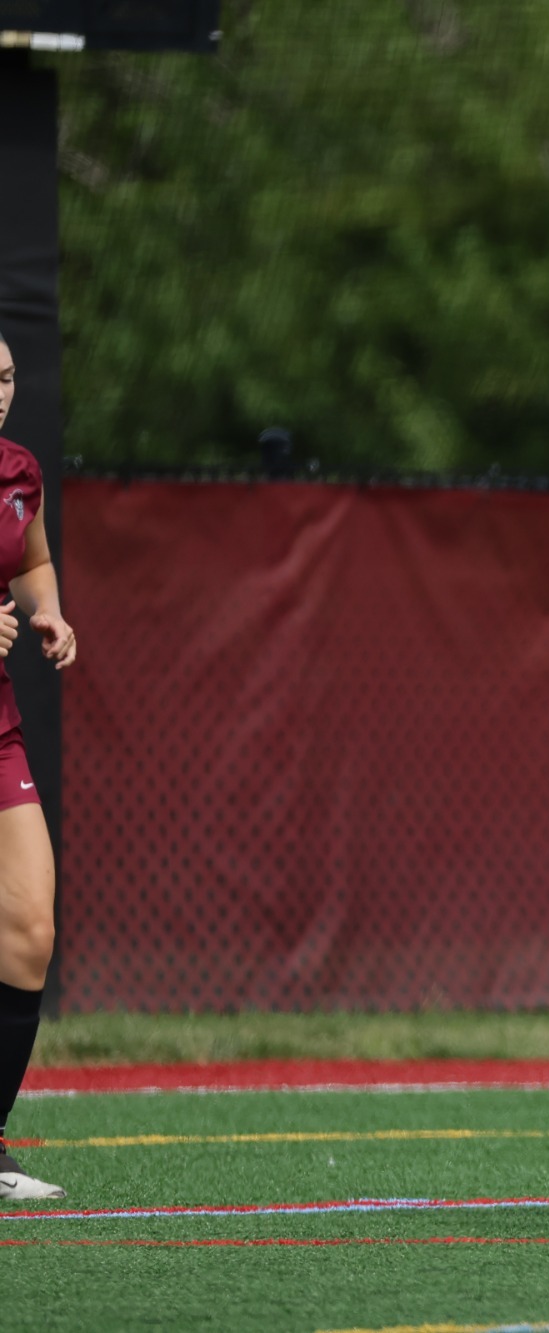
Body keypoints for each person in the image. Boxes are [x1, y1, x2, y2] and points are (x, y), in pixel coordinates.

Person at [0, 330, 79, 1202]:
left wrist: (48, 614)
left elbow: (34, 560)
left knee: (28, 931)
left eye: (9, 376)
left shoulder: (20, 470)